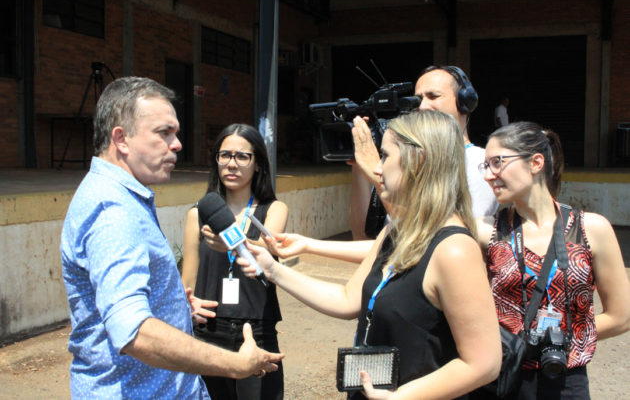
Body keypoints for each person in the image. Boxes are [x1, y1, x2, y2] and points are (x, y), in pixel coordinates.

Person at [242, 110, 502, 399]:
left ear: (420, 161)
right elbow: (347, 299)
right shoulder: (398, 230)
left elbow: (484, 363)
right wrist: (273, 270)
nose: (377, 169)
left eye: (385, 156)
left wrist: (400, 397)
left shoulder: (454, 250)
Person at [60, 77, 283, 399]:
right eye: (164, 133)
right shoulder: (113, 213)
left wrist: (175, 308)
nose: (177, 144)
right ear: (121, 139)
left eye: (175, 133)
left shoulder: (124, 198)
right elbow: (134, 331)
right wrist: (235, 364)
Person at [475, 121, 630, 399]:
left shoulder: (591, 229)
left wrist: (563, 336)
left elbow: (621, 316)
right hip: (502, 376)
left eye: (497, 162)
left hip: (565, 378)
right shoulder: (485, 231)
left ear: (536, 163)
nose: (488, 175)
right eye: (485, 166)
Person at [181, 123, 288, 400]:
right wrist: (187, 305)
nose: (232, 163)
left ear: (258, 164)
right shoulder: (198, 214)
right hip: (208, 333)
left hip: (257, 332)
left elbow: (264, 253)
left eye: (242, 156)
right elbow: (187, 283)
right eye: (224, 155)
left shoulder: (273, 210)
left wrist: (232, 241)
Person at [350, 65, 498, 239]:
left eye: (433, 96)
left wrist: (376, 177)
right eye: (418, 98)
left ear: (465, 102)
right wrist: (359, 164)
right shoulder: (402, 160)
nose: (422, 105)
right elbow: (363, 236)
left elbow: (447, 238)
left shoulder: (482, 162)